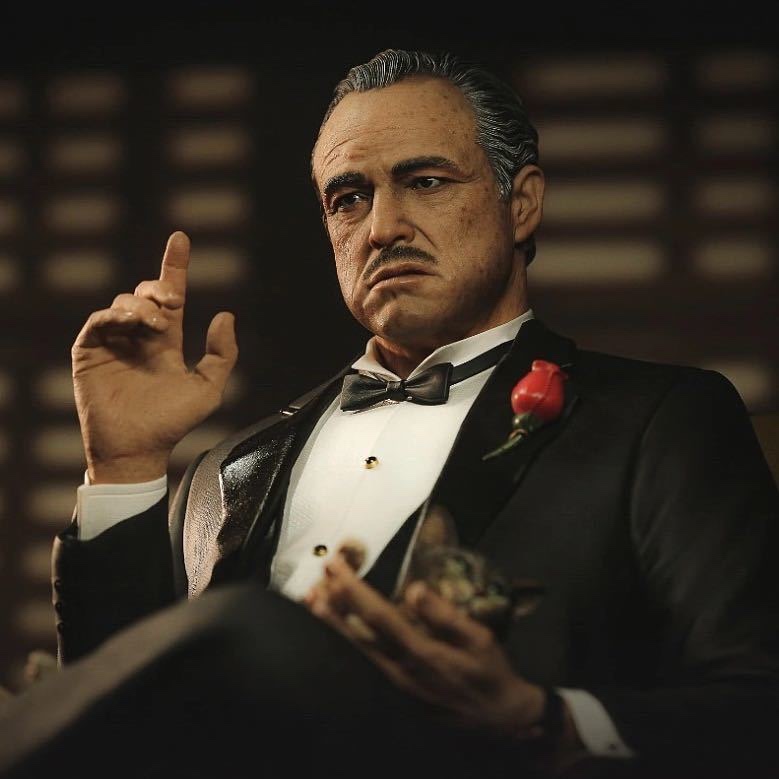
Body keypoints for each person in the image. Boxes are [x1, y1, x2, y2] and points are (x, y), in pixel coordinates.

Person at [1, 49, 778, 779]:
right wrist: (124, 466)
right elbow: (110, 720)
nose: (381, 227)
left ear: (521, 203)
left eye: (426, 181)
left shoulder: (657, 419)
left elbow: (756, 705)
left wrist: (540, 717)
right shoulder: (226, 470)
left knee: (250, 624)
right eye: (348, 198)